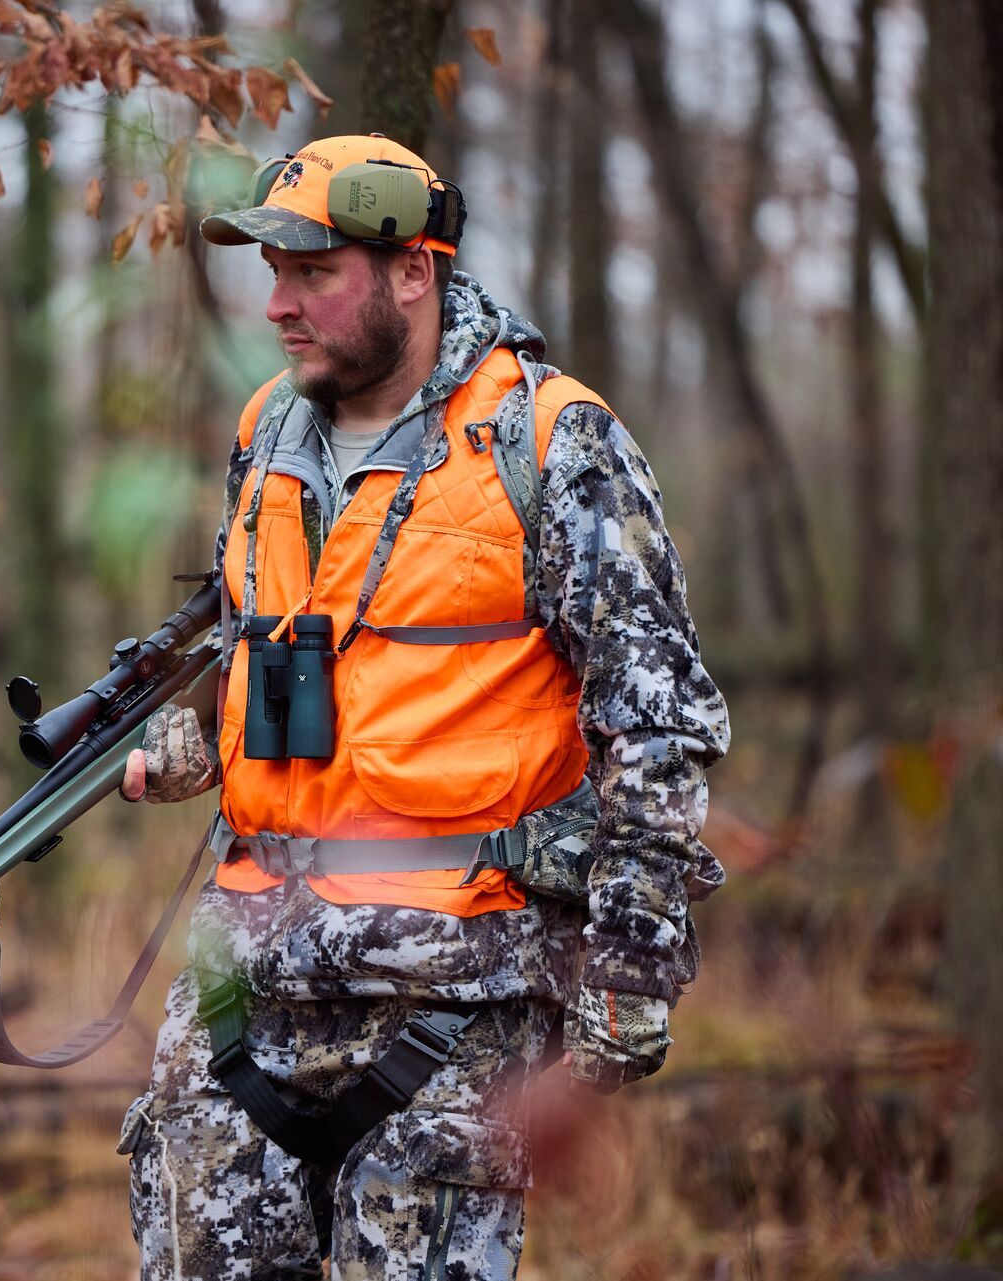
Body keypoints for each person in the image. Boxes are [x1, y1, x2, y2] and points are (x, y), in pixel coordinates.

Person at [114, 134, 730, 1278]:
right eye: (273, 273)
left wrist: (629, 979)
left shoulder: (548, 441)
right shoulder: (266, 434)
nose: (279, 306)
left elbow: (660, 725)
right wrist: (195, 739)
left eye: (314, 273)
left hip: (455, 1009)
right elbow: (266, 654)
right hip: (244, 989)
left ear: (415, 271)